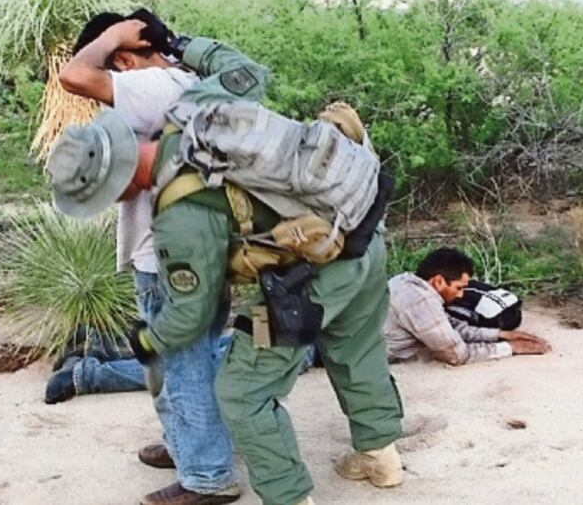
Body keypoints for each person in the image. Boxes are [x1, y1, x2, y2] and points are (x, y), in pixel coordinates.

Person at [46, 30, 404, 505]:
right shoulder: (195, 105)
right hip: (365, 224)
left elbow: (191, 314)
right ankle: (380, 457)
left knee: (241, 392)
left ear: (123, 177)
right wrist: (179, 41)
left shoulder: (180, 214)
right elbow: (248, 72)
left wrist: (147, 341)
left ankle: (290, 497)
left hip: (320, 267)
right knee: (355, 349)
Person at [52, 11, 240, 504]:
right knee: (179, 359)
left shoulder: (155, 83)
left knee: (181, 362)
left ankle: (207, 476)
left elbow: (73, 76)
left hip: (168, 253)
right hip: (198, 244)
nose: (110, 80)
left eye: (115, 63)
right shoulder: (191, 81)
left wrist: (113, 34)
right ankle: (190, 445)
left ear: (124, 56)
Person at [385, 247, 550, 365]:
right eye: (458, 287)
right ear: (439, 281)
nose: (461, 295)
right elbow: (456, 354)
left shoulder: (404, 281)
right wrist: (510, 348)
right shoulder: (421, 302)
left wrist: (501, 334)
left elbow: (451, 328)